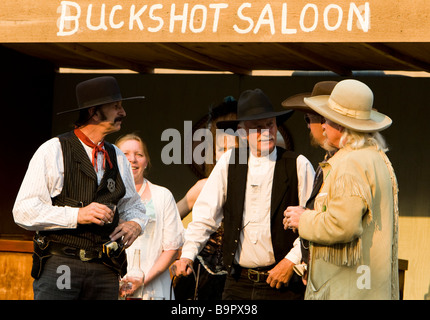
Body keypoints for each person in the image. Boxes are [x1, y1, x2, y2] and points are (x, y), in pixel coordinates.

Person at [13, 76, 148, 300]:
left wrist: (135, 224)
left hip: (106, 268)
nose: (123, 112)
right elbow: (24, 210)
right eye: (116, 106)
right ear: (94, 112)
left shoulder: (118, 157)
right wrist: (78, 214)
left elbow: (133, 206)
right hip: (61, 265)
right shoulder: (53, 150)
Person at [173, 88, 315, 300]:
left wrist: (291, 261)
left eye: (270, 125)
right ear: (241, 132)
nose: (266, 132)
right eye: (258, 128)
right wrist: (187, 255)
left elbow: (312, 221)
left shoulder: (297, 164)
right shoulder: (228, 163)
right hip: (238, 282)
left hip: (282, 283)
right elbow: (205, 217)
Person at [284, 79, 399, 299]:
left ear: (342, 125)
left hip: (348, 290)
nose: (322, 125)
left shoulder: (351, 163)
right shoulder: (376, 157)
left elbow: (343, 225)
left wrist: (304, 219)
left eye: (327, 119)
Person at [116, 134, 184, 300]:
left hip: (154, 289)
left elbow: (171, 247)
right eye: (125, 154)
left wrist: (143, 280)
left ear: (146, 162)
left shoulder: (162, 195)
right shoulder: (104, 196)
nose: (132, 159)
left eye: (139, 154)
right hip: (112, 287)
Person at [281, 81, 338, 277]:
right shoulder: (330, 161)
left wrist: (304, 218)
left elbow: (341, 225)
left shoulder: (345, 164)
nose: (307, 126)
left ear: (324, 122)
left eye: (308, 119)